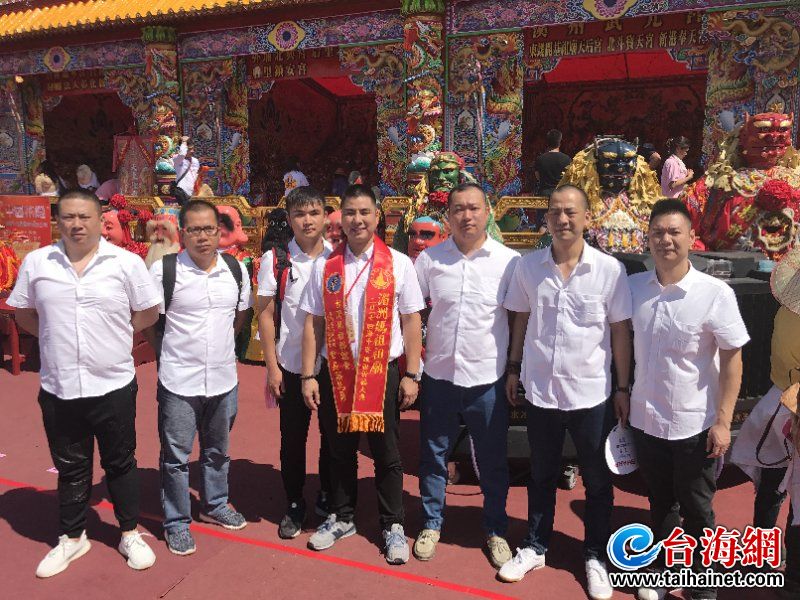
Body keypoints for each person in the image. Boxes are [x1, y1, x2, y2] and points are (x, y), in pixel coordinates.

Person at [7, 189, 161, 577]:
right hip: (59, 387)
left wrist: (116, 332)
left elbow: (147, 311)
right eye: (68, 217)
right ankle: (73, 537)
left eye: (85, 217)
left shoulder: (125, 263)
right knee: (71, 467)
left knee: (120, 462)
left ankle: (129, 533)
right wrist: (52, 335)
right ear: (58, 221)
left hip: (113, 384)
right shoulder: (39, 262)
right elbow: (24, 313)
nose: (77, 224)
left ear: (100, 221)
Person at [501, 184, 632, 600]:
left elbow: (620, 332)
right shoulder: (528, 267)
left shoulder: (609, 270)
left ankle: (595, 555)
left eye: (571, 212)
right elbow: (521, 320)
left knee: (597, 480)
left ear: (587, 218)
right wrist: (513, 367)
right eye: (555, 212)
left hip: (592, 394)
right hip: (542, 392)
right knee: (541, 474)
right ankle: (535, 546)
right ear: (546, 219)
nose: (563, 219)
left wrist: (623, 387)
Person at [628, 199, 748, 600]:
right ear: (648, 238)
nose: (666, 240)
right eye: (658, 232)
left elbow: (732, 360)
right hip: (646, 418)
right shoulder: (633, 289)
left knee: (697, 507)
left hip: (694, 424)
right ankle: (664, 569)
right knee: (660, 501)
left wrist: (724, 421)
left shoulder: (714, 293)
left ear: (692, 238)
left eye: (674, 232)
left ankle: (702, 581)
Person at [299, 184, 424, 565]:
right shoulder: (326, 266)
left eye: (364, 212)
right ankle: (343, 516)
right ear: (341, 218)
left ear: (377, 216)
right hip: (336, 371)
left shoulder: (398, 263)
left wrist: (412, 373)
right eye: (350, 212)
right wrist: (308, 375)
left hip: (381, 371)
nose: (357, 220)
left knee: (387, 453)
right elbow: (314, 323)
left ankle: (392, 523)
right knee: (339, 450)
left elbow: (411, 319)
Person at [413, 182, 520, 569]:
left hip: (487, 379)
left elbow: (517, 318)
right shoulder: (430, 260)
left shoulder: (509, 262)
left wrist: (513, 368)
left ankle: (495, 529)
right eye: (458, 209)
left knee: (492, 460)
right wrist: (415, 364)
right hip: (439, 376)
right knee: (433, 455)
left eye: (474, 208)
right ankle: (431, 523)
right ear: (448, 216)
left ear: (488, 212)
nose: (467, 216)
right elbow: (414, 312)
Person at [146, 199, 252, 556]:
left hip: (223, 379)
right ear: (182, 233)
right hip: (179, 381)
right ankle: (177, 521)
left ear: (219, 232)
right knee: (175, 456)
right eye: (195, 229)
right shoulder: (164, 271)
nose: (203, 237)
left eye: (209, 229)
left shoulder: (235, 270)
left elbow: (239, 316)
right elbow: (149, 322)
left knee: (218, 450)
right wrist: (167, 354)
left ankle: (215, 503)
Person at [257, 186, 334, 539]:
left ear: (325, 217)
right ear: (289, 219)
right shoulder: (276, 260)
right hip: (289, 363)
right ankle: (293, 501)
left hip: (330, 364)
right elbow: (265, 315)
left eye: (314, 213)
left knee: (333, 436)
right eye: (300, 214)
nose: (307, 221)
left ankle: (327, 493)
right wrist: (271, 367)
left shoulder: (338, 258)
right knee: (292, 438)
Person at [731, 251, 800, 599]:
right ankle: (775, 557)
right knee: (781, 484)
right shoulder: (789, 310)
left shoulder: (787, 309)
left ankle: (775, 559)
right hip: (785, 402)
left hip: (784, 401)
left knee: (782, 484)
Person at [534, 129, 572, 198]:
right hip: (561, 195)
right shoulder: (567, 159)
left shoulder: (540, 159)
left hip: (544, 197)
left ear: (547, 142)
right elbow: (569, 178)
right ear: (560, 142)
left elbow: (538, 177)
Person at [172, 136, 200, 205]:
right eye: (189, 149)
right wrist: (184, 142)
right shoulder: (177, 159)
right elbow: (182, 154)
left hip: (193, 192)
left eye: (193, 149)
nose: (192, 151)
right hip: (182, 191)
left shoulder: (195, 161)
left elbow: (196, 175)